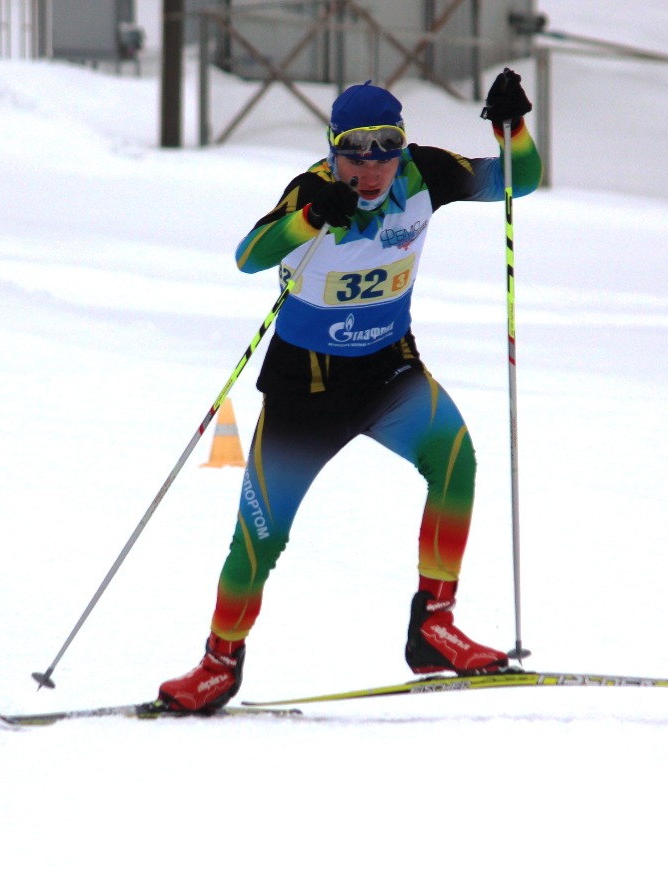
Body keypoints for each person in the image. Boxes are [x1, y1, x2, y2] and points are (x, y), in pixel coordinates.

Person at [157, 70, 542, 713]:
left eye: (385, 148)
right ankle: (219, 664)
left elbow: (517, 180)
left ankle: (433, 628)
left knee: (455, 461)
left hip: (388, 372)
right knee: (261, 535)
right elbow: (249, 256)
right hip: (305, 390)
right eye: (353, 152)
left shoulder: (424, 175)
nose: (371, 168)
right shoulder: (312, 190)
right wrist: (309, 221)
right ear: (333, 150)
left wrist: (514, 128)